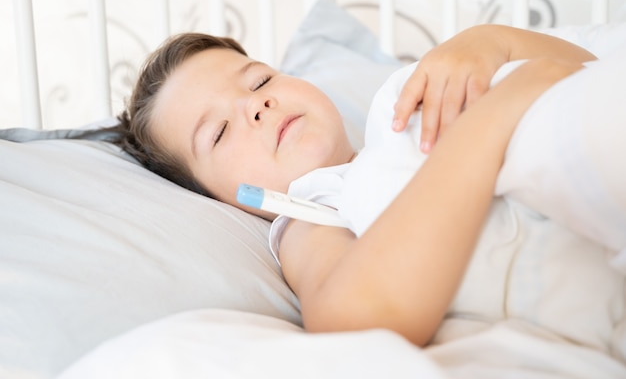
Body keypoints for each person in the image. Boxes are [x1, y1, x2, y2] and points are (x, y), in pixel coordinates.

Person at [114, 25, 609, 347]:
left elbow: (589, 72)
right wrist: (493, 118)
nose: (255, 106)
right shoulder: (312, 215)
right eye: (218, 133)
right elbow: (350, 318)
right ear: (223, 199)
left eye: (260, 81)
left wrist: (488, 44)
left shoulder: (398, 114)